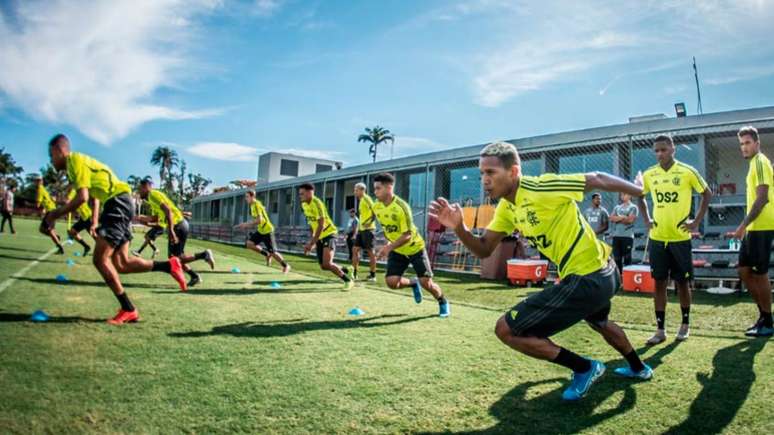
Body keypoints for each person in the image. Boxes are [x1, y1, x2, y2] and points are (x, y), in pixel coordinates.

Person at [430, 141, 651, 401]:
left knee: (506, 329)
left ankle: (584, 367)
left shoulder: (541, 186)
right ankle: (639, 367)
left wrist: (638, 189)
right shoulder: (506, 208)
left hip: (588, 276)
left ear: (513, 172)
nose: (484, 180)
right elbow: (484, 249)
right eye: (482, 173)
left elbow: (597, 178)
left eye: (491, 173)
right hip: (600, 273)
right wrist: (459, 228)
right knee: (599, 321)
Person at [45, 134, 189, 324]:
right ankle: (169, 265)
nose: (51, 160)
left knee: (100, 259)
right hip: (119, 203)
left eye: (51, 155)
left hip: (118, 203)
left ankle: (128, 308)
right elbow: (93, 197)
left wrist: (53, 215)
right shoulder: (77, 165)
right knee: (122, 263)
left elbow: (81, 198)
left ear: (58, 150)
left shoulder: (74, 161)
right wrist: (95, 221)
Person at [637, 134, 712, 345]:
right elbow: (640, 195)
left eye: (663, 149)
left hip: (680, 238)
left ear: (673, 149)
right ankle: (660, 330)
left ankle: (685, 325)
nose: (660, 154)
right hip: (658, 238)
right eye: (656, 151)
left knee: (682, 282)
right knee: (659, 283)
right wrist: (646, 219)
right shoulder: (651, 174)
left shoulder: (688, 172)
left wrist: (696, 221)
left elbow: (706, 193)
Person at [372, 173, 450, 317]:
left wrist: (388, 248)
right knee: (391, 282)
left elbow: (407, 235)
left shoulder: (402, 207)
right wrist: (387, 244)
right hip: (397, 249)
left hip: (415, 248)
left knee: (427, 283)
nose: (375, 192)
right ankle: (413, 283)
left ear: (389, 187)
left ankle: (442, 301)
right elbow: (389, 229)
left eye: (378, 188)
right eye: (374, 189)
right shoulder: (376, 207)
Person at [732, 126, 774, 337]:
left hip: (762, 225)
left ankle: (768, 321)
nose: (744, 147)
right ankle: (763, 316)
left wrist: (742, 226)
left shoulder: (759, 162)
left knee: (760, 273)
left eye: (748, 143)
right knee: (743, 269)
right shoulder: (753, 165)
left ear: (757, 143)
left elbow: (763, 198)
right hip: (754, 227)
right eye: (741, 144)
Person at [136, 178, 215, 288]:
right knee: (175, 258)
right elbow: (157, 217)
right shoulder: (151, 199)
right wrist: (143, 219)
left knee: (176, 259)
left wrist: (172, 230)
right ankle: (194, 276)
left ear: (146, 187)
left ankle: (204, 255)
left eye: (140, 189)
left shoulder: (153, 195)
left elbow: (168, 211)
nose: (139, 192)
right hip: (179, 225)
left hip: (178, 225)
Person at [298, 183, 353, 289]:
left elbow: (321, 224)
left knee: (327, 263)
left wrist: (312, 243)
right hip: (319, 237)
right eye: (299, 194)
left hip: (329, 234)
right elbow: (311, 223)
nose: (300, 196)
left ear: (310, 192)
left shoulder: (317, 203)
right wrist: (313, 240)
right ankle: (347, 269)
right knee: (324, 266)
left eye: (302, 194)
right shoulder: (304, 205)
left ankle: (348, 280)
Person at [234, 190, 291, 273]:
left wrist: (246, 224)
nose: (246, 199)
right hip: (261, 230)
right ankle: (266, 254)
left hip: (267, 230)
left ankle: (286, 265)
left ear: (252, 197)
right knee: (249, 244)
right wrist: (245, 224)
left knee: (273, 252)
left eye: (247, 197)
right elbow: (257, 220)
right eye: (245, 197)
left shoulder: (257, 205)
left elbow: (259, 220)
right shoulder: (252, 205)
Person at [353, 182, 378, 282]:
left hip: (369, 230)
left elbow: (375, 211)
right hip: (361, 230)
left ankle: (373, 276)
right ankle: (354, 274)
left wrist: (369, 222)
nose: (354, 192)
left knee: (371, 252)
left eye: (356, 190)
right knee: (355, 250)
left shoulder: (367, 199)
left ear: (362, 190)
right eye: (354, 190)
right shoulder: (361, 200)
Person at [609, 192, 638, 273]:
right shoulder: (617, 207)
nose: (623, 196)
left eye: (625, 194)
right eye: (622, 194)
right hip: (616, 236)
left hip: (627, 236)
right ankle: (620, 278)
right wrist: (623, 217)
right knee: (617, 258)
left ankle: (628, 279)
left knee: (627, 258)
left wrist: (618, 218)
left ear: (630, 195)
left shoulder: (633, 207)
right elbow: (611, 218)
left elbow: (629, 221)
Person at [35, 177, 65, 254]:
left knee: (48, 230)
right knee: (43, 229)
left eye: (38, 180)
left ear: (41, 182)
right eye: (36, 180)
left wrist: (29, 204)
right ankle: (56, 237)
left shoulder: (40, 189)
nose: (37, 182)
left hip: (51, 211)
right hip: (52, 210)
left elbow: (38, 204)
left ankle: (60, 246)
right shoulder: (43, 189)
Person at [65, 187, 96, 256]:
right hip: (83, 218)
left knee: (95, 236)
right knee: (72, 232)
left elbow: (67, 201)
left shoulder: (73, 190)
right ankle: (86, 247)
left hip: (88, 217)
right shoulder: (74, 191)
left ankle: (105, 250)